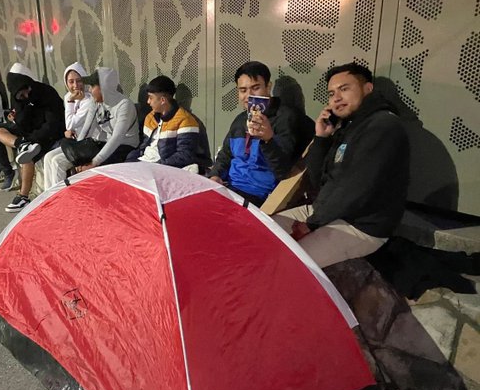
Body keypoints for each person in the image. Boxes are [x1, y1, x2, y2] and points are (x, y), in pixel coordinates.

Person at [273, 63, 409, 268]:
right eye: (331, 93)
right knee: (264, 230)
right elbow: (319, 180)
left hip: (361, 226)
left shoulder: (382, 127)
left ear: (367, 88)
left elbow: (354, 189)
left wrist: (312, 224)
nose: (336, 97)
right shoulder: (350, 126)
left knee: (291, 263)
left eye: (344, 89)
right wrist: (321, 138)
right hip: (327, 211)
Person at [206, 61, 309, 206]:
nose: (249, 96)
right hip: (229, 187)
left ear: (268, 87)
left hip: (258, 196)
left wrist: (268, 140)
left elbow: (282, 171)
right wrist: (215, 175)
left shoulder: (286, 118)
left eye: (255, 88)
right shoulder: (240, 120)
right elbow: (225, 155)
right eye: (243, 90)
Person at [35, 67, 138, 195]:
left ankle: (62, 201)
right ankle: (50, 198)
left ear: (103, 87)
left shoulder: (124, 105)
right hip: (103, 143)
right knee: (54, 159)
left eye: (92, 86)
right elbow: (86, 129)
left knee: (64, 163)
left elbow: (117, 137)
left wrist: (94, 162)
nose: (89, 90)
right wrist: (77, 153)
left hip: (124, 145)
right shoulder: (96, 102)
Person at [0, 67, 66, 211]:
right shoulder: (19, 98)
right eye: (22, 95)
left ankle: (23, 196)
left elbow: (52, 125)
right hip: (29, 133)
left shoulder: (46, 93)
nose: (26, 95)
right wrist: (18, 116)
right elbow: (23, 121)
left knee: (27, 156)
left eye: (27, 91)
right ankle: (21, 144)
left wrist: (32, 138)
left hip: (49, 135)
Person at [125, 75, 200, 170]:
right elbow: (144, 146)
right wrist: (131, 158)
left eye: (151, 98)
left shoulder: (185, 120)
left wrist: (158, 165)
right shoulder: (150, 117)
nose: (148, 102)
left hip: (161, 168)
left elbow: (185, 155)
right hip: (144, 163)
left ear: (163, 100)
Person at [40, 62, 95, 190]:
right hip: (75, 143)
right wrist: (68, 131)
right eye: (71, 82)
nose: (75, 85)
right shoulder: (68, 97)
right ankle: (48, 196)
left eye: (79, 81)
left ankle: (58, 199)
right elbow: (70, 126)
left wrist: (70, 102)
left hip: (88, 144)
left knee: (57, 162)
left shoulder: (89, 99)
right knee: (48, 157)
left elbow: (70, 124)